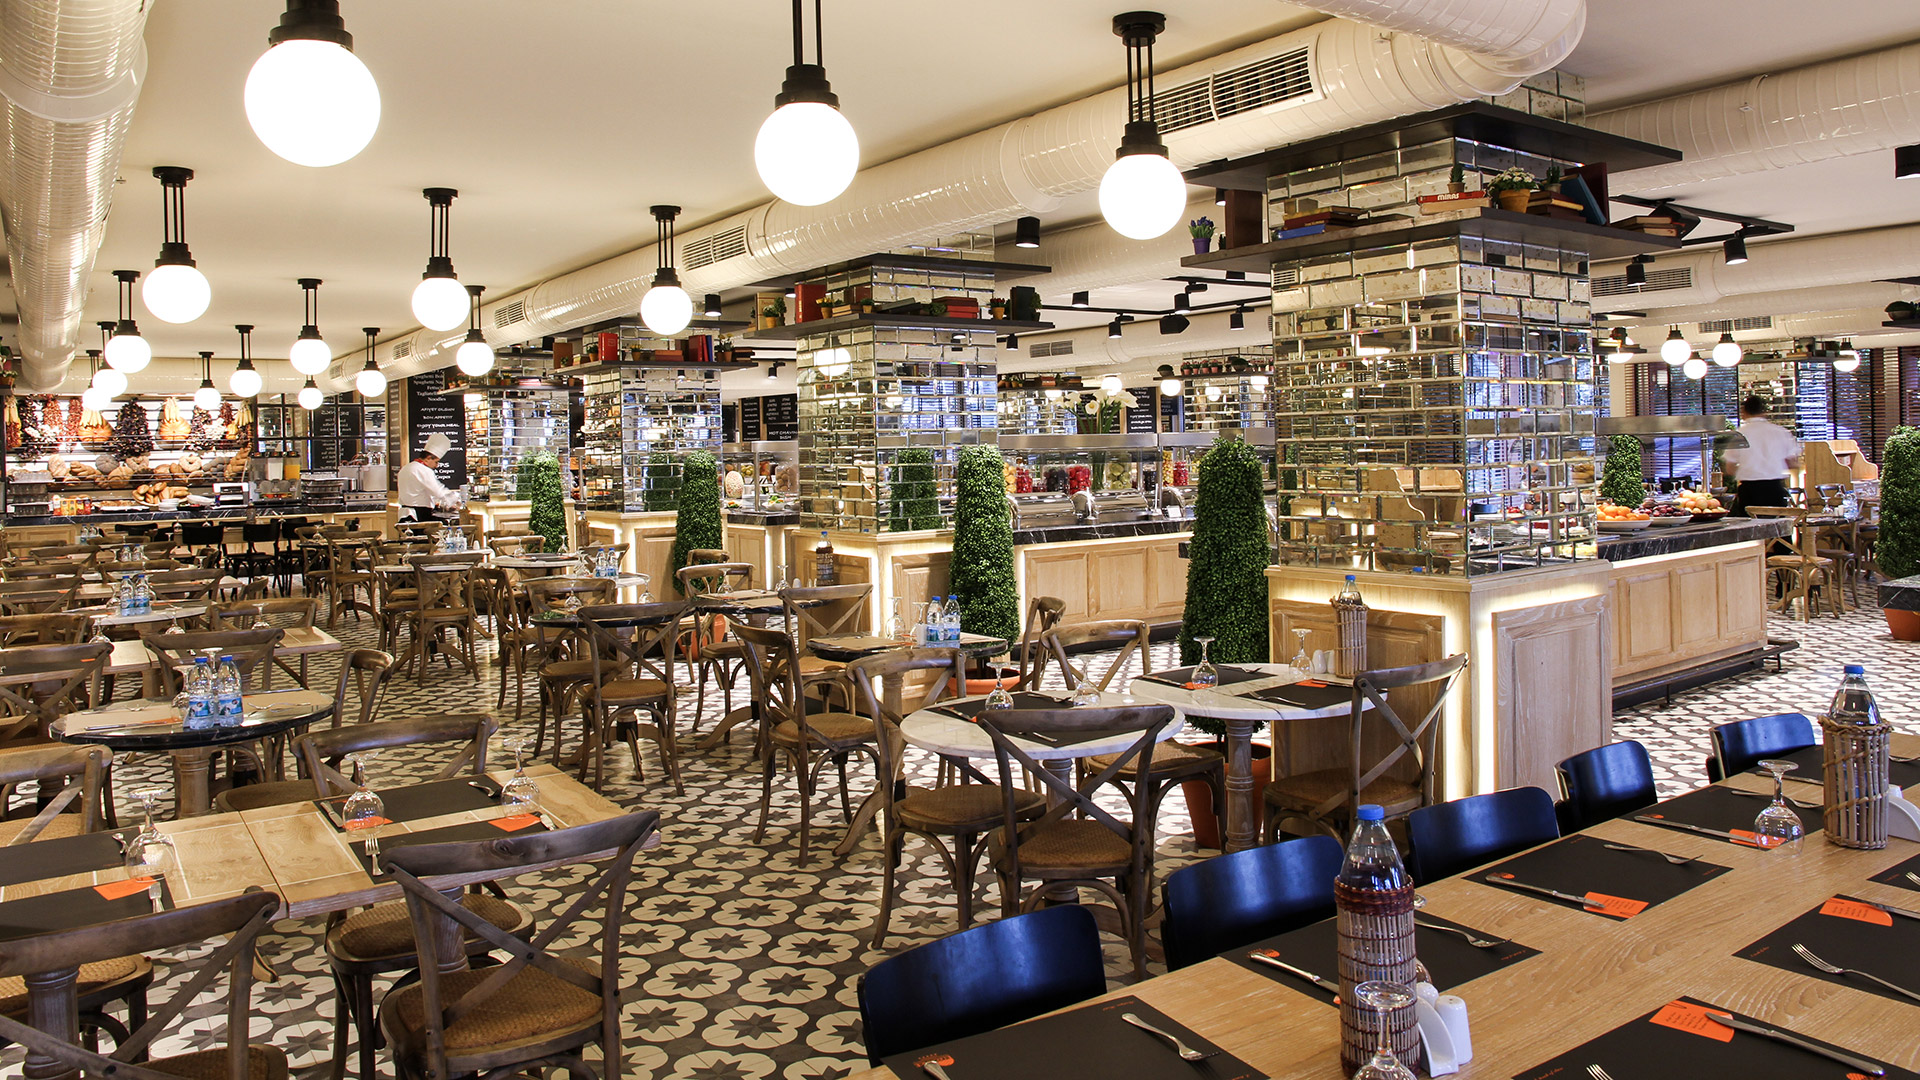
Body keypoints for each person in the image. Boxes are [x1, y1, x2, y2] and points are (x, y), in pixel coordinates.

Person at [1721, 395, 1801, 515]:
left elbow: (1730, 468)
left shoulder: (1739, 435)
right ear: (1764, 412)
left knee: (1750, 525)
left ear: (1744, 412)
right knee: (1777, 525)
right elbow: (1792, 463)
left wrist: (1749, 469)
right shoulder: (1780, 432)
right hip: (1774, 488)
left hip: (1750, 490)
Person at [398, 432, 462, 521]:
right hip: (419, 514)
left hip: (404, 514)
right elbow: (438, 491)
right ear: (428, 458)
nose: (437, 465)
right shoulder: (423, 470)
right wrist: (456, 499)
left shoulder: (407, 467)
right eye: (436, 462)